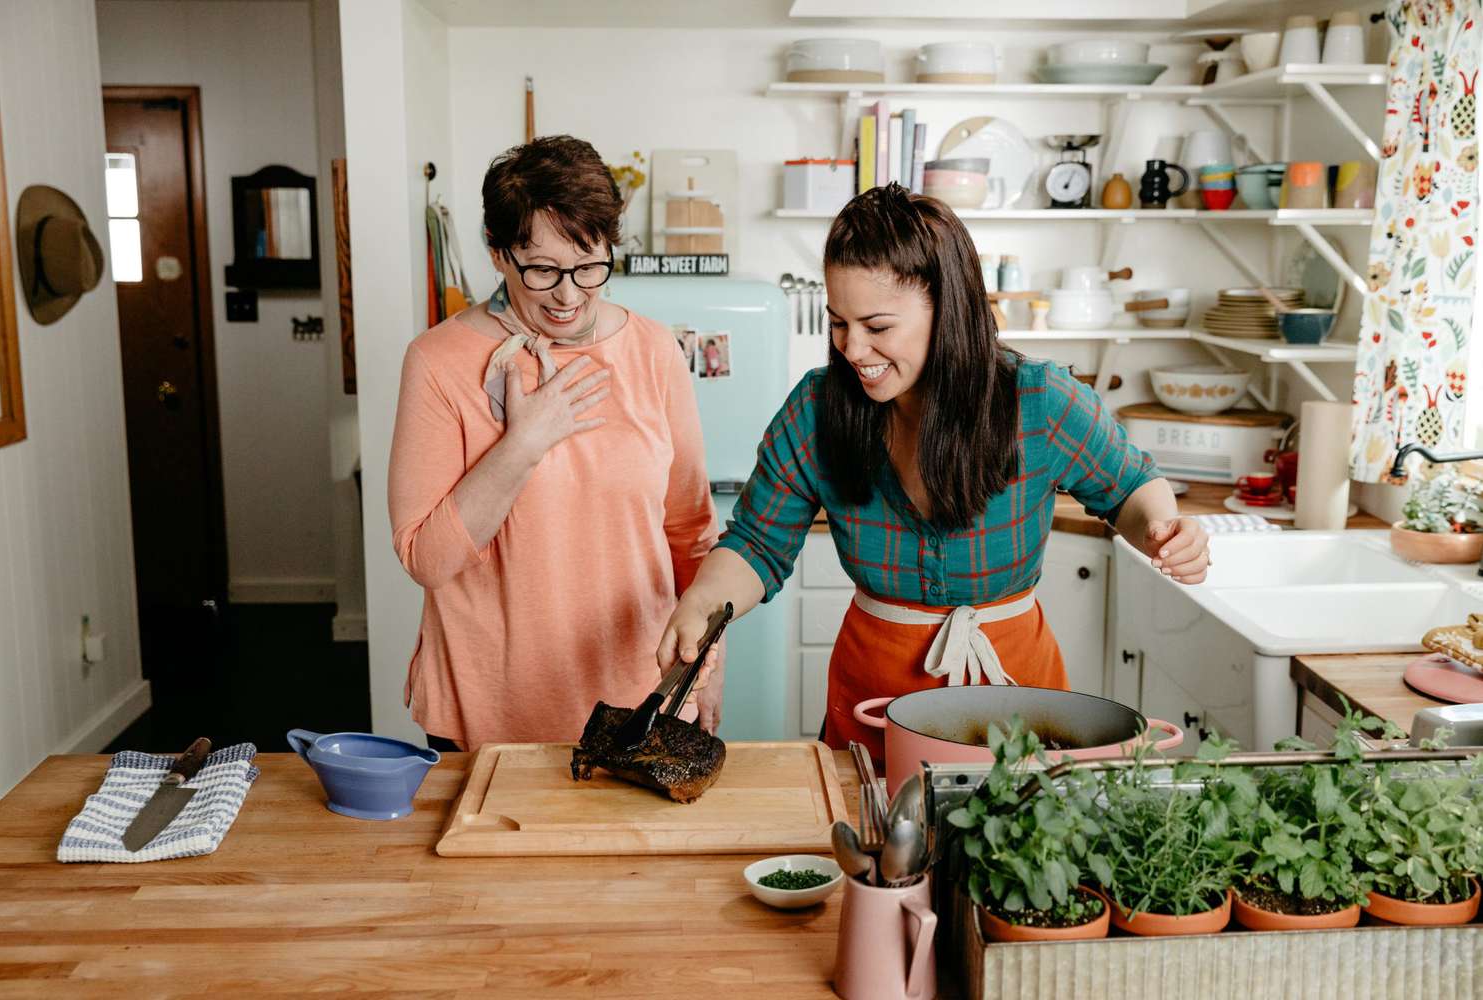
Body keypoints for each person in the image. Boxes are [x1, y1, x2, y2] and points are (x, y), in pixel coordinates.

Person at [656, 184, 1209, 766]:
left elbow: (1130, 489)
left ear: (946, 308)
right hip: (873, 703)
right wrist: (701, 605)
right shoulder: (817, 409)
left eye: (876, 326)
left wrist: (1162, 530)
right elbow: (757, 544)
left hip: (1016, 698)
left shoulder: (1039, 401)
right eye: (838, 322)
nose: (851, 348)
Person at [389, 135, 720, 751]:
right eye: (541, 269)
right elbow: (425, 559)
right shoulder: (438, 362)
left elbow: (690, 533)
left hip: (637, 704)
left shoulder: (653, 351)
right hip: (486, 713)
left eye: (589, 265)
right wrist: (523, 444)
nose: (568, 295)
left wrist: (707, 656)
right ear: (497, 253)